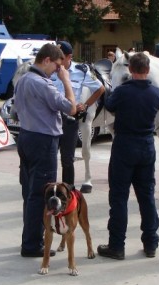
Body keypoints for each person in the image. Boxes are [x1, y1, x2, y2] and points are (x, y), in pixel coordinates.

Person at [96, 52, 159, 260]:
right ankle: (150, 243)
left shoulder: (123, 92)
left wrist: (109, 90)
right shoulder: (156, 93)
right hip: (146, 146)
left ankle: (116, 245)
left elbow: (110, 105)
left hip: (125, 145)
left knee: (118, 197)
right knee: (146, 196)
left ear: (130, 70)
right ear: (148, 69)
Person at [14, 43, 76, 257]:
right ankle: (32, 244)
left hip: (26, 136)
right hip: (43, 140)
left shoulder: (22, 80)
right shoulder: (43, 84)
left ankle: (29, 238)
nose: (58, 71)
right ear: (47, 60)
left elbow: (15, 110)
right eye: (57, 66)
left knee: (29, 192)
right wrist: (66, 81)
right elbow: (71, 106)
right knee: (40, 194)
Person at [52, 41, 105, 186]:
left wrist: (86, 105)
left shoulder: (81, 71)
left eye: (61, 58)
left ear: (69, 57)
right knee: (49, 157)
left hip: (69, 119)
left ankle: (68, 191)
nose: (57, 61)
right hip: (50, 119)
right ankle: (48, 189)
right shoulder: (49, 69)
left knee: (67, 159)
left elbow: (100, 89)